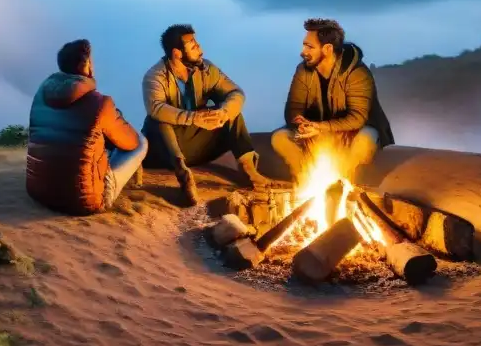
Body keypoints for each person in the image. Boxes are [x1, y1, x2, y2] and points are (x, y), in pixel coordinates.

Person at [141, 24, 273, 206]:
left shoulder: (207, 70)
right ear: (177, 53)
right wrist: (194, 118)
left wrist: (222, 113)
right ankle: (184, 176)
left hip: (197, 146)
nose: (200, 49)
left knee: (233, 114)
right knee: (158, 121)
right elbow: (155, 108)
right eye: (194, 46)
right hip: (165, 151)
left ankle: (248, 169)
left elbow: (236, 93)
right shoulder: (155, 76)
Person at [26, 39, 149, 215]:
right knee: (141, 142)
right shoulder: (101, 103)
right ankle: (110, 180)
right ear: (86, 66)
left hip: (37, 191)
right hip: (84, 202)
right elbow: (131, 143)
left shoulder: (41, 94)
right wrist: (116, 117)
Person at [272, 18, 395, 182]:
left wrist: (322, 128)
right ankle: (307, 182)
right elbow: (294, 107)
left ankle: (343, 184)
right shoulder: (304, 70)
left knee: (366, 139)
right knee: (280, 138)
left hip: (351, 134)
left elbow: (357, 118)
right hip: (315, 134)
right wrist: (302, 125)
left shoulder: (357, 73)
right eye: (304, 45)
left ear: (327, 49)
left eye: (309, 46)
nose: (303, 51)